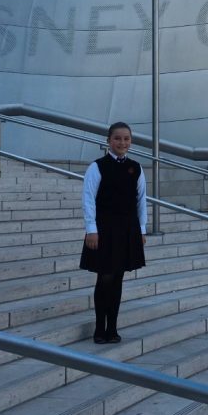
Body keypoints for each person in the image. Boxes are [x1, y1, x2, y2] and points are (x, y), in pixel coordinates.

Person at [80, 122, 147, 344]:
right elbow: (88, 199)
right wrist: (91, 229)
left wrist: (142, 229)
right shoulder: (97, 167)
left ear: (131, 141)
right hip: (103, 229)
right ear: (109, 141)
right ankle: (100, 328)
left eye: (126, 138)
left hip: (127, 229)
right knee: (105, 277)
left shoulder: (136, 168)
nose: (122, 142)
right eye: (117, 138)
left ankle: (113, 328)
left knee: (118, 278)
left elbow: (141, 201)